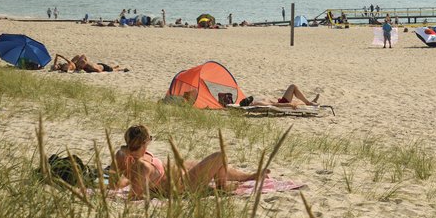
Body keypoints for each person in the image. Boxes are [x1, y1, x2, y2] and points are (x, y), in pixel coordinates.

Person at [113, 125, 269, 200]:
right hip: (184, 185)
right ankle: (222, 187)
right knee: (219, 156)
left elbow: (125, 177)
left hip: (177, 174)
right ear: (145, 141)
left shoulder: (125, 153)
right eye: (150, 139)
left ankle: (249, 176)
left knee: (193, 163)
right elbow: (135, 192)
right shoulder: (142, 165)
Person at [239, 85, 320, 108]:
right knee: (293, 87)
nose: (250, 99)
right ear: (249, 103)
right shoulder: (259, 103)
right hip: (282, 102)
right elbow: (275, 105)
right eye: (248, 100)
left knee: (298, 101)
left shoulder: (256, 102)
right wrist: (289, 105)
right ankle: (309, 102)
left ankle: (311, 102)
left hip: (281, 100)